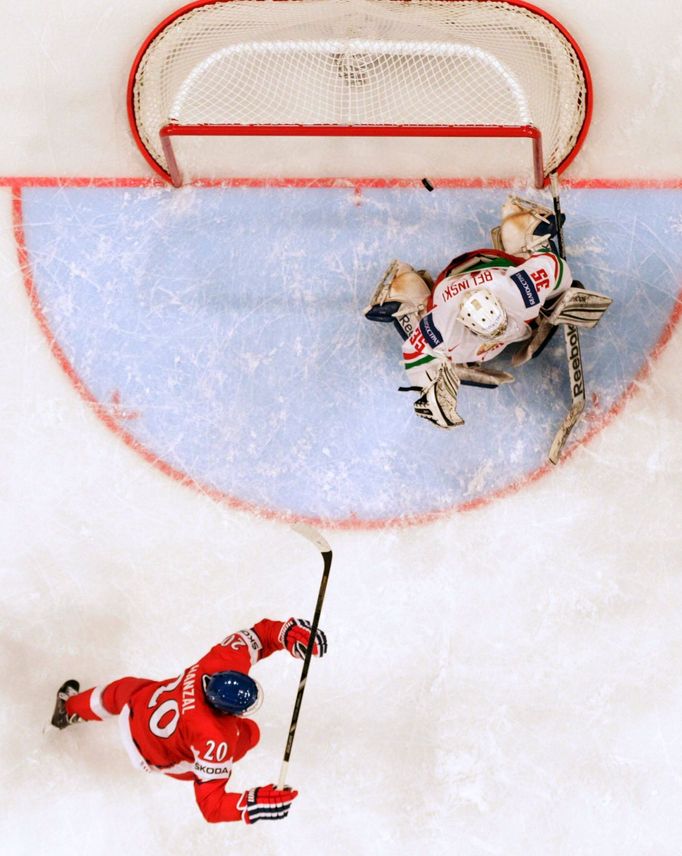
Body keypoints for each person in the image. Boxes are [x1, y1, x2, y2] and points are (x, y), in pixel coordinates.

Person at [51, 617, 327, 825]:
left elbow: (261, 635)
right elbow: (212, 806)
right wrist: (249, 805)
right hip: (152, 757)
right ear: (227, 713)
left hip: (137, 706)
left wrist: (284, 633)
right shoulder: (215, 739)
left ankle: (69, 709)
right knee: (249, 735)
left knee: (120, 691)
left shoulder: (217, 664)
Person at [364, 196, 609, 429]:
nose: (498, 333)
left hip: (495, 269)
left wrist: (559, 296)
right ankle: (405, 291)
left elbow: (556, 269)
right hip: (450, 283)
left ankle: (521, 231)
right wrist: (430, 394)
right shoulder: (443, 324)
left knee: (531, 262)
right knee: (419, 320)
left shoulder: (519, 290)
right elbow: (414, 350)